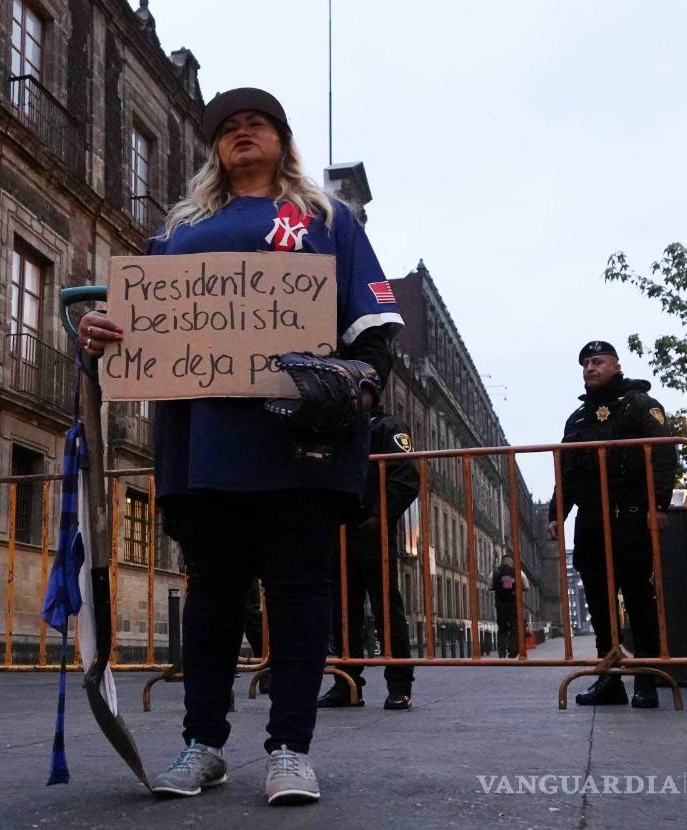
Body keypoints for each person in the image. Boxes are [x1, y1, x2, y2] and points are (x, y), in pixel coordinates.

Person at [80, 87, 402, 805]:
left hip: (300, 438)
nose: (242, 131)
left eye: (257, 122)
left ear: (283, 139)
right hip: (201, 439)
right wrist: (103, 330)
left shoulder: (327, 220)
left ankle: (291, 747)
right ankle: (203, 744)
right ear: (214, 148)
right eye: (227, 127)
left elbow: (374, 330)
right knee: (213, 594)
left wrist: (363, 389)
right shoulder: (178, 231)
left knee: (296, 588)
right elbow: (139, 325)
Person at [547, 341, 675, 708]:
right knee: (600, 606)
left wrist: (659, 504)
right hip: (591, 521)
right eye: (585, 363)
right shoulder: (579, 418)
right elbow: (567, 468)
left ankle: (647, 680)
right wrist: (557, 512)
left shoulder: (640, 405)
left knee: (639, 599)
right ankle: (610, 680)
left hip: (632, 516)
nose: (591, 368)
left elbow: (663, 453)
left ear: (616, 365)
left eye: (598, 361)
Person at [318, 390, 419, 710]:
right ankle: (346, 683)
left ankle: (399, 685)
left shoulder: (389, 427)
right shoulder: (338, 428)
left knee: (386, 607)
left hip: (372, 529)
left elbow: (405, 476)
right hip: (339, 530)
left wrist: (380, 515)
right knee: (342, 609)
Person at [490, 554, 529, 658]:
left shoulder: (495, 573)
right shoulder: (517, 572)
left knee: (502, 629)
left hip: (500, 605)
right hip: (514, 604)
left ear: (502, 562)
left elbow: (490, 586)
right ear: (511, 562)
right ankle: (513, 651)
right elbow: (526, 586)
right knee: (515, 628)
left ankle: (501, 654)